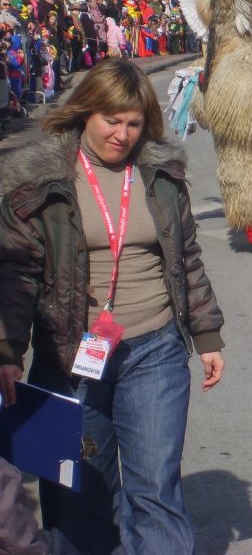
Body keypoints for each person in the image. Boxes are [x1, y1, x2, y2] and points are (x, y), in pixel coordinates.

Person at [0, 58, 225, 555]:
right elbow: (16, 277)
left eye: (133, 123)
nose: (122, 135)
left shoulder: (160, 175)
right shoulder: (39, 183)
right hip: (69, 359)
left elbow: (186, 258)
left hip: (155, 352)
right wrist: (8, 351)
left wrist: (206, 335)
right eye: (111, 120)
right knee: (79, 493)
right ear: (85, 113)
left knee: (155, 489)